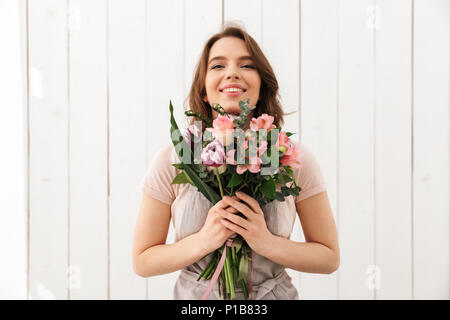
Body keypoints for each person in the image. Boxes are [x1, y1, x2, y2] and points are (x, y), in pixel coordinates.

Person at [132, 24, 339, 300]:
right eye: (218, 66)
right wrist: (204, 240)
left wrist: (265, 242)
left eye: (247, 65)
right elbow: (143, 261)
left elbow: (328, 257)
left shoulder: (289, 156)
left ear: (261, 84)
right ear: (204, 90)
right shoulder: (174, 159)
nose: (232, 72)